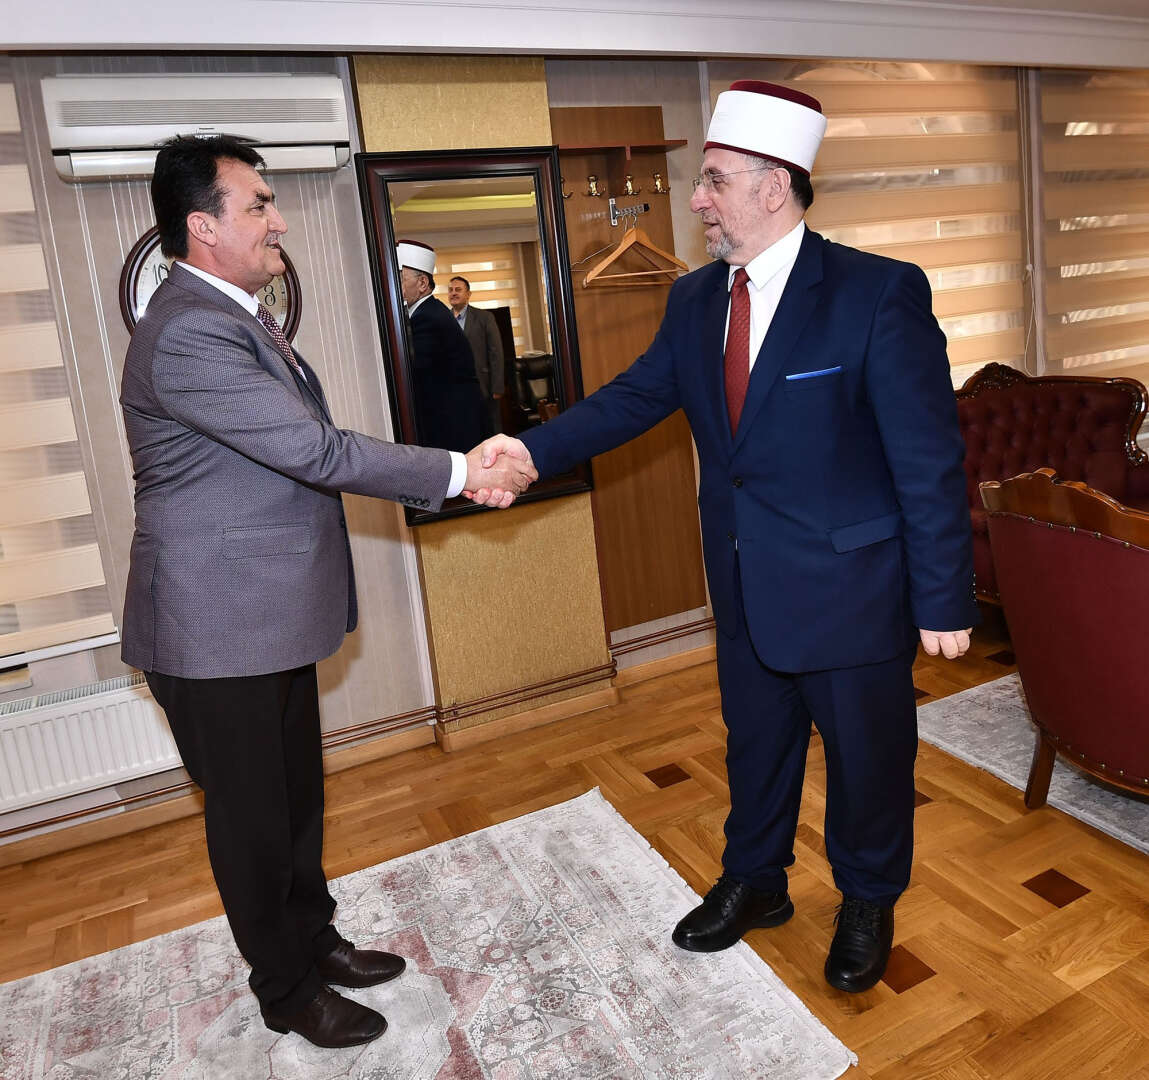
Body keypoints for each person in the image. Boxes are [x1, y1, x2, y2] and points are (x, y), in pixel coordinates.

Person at [479, 81, 976, 994]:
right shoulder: (695, 299)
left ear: (772, 185)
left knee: (867, 763)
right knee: (754, 744)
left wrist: (942, 595)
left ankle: (867, 898)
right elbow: (635, 396)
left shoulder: (876, 293)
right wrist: (529, 451)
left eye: (712, 180)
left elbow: (927, 459)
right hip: (744, 580)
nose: (697, 199)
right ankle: (756, 882)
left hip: (851, 589)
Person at [119, 135, 534, 1049]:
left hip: (261, 616)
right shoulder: (188, 330)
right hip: (212, 625)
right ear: (202, 226)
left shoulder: (233, 315)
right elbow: (314, 450)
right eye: (258, 204)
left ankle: (314, 940)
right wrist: (463, 469)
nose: (277, 220)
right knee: (252, 822)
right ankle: (286, 989)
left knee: (295, 802)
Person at [397, 242, 490, 450]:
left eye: (401, 279)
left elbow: (413, 373)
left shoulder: (427, 317)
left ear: (422, 283)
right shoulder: (429, 311)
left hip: (454, 422)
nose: (395, 286)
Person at [447, 274, 506, 434]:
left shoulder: (485, 317)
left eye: (458, 289)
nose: (453, 293)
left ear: (468, 294)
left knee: (490, 430)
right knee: (464, 431)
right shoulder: (444, 320)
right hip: (455, 389)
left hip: (483, 386)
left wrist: (497, 387)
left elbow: (496, 353)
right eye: (450, 290)